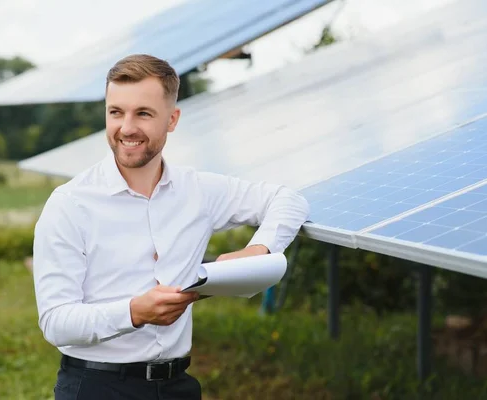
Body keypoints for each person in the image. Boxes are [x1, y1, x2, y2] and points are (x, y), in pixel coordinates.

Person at [32, 53, 310, 400]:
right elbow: (56, 322)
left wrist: (259, 251)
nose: (127, 128)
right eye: (115, 112)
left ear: (172, 119)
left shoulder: (198, 191)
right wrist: (133, 312)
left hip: (178, 386)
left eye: (143, 113)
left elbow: (288, 200)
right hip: (96, 387)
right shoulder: (69, 204)